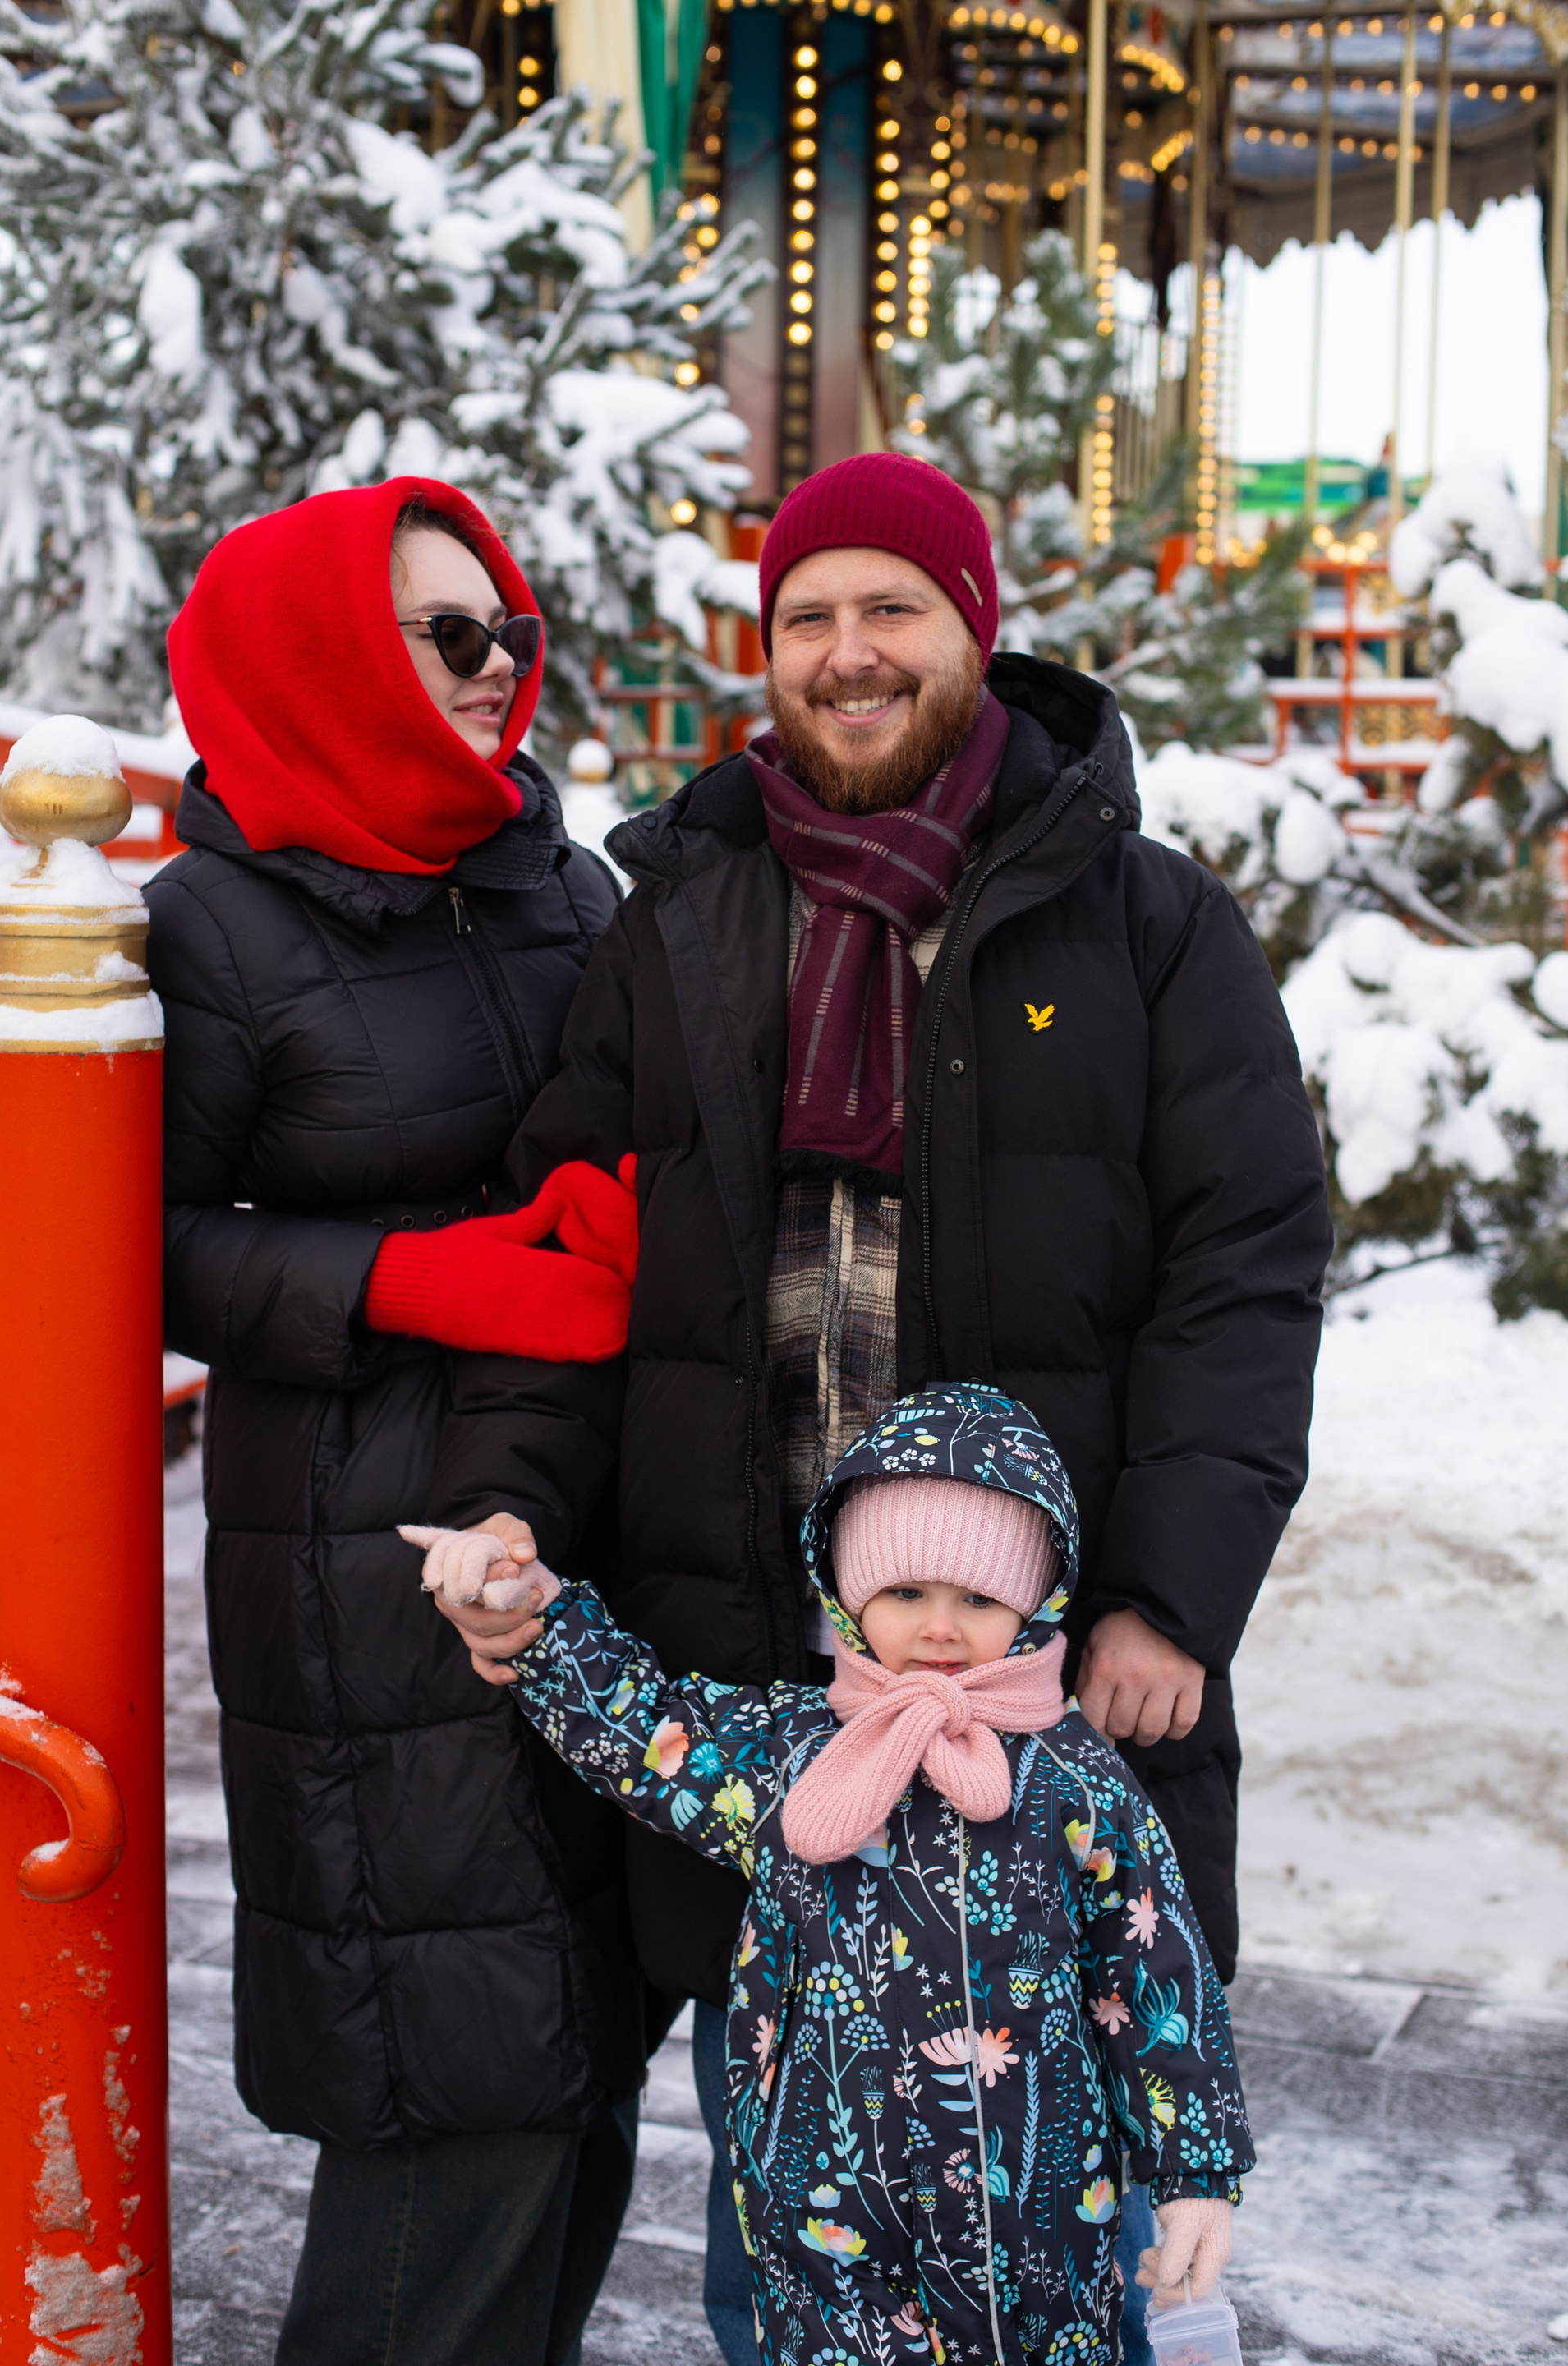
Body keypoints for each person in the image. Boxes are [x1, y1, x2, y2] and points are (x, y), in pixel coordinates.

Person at [419, 449, 1331, 2364]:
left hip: (1035, 1676)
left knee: (1058, 2227)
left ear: (972, 631)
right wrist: (510, 1502)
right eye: (806, 615)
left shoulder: (1145, 924)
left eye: (890, 607)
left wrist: (1169, 1595)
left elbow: (1241, 1274)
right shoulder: (678, 920)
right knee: (787, 2218)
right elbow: (569, 1248)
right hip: (764, 1678)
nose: (847, 651)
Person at [147, 476, 650, 2366]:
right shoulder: (216, 923)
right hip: (363, 1559)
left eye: (508, 628)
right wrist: (404, 1278)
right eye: (449, 634)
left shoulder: (555, 874)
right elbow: (131, 1248)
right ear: (327, 657)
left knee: (587, 2050)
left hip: (581, 1509)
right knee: (458, 2073)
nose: (497, 667)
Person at [407, 1385, 1255, 2364]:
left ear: (1034, 1603)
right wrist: (541, 1613)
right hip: (828, 2205)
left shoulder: (1072, 1777)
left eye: (978, 1600)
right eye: (906, 1594)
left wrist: (1196, 2175)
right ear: (849, 1596)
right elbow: (649, 1735)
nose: (940, 1629)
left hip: (1039, 2215)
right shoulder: (792, 1749)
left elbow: (1155, 1977)